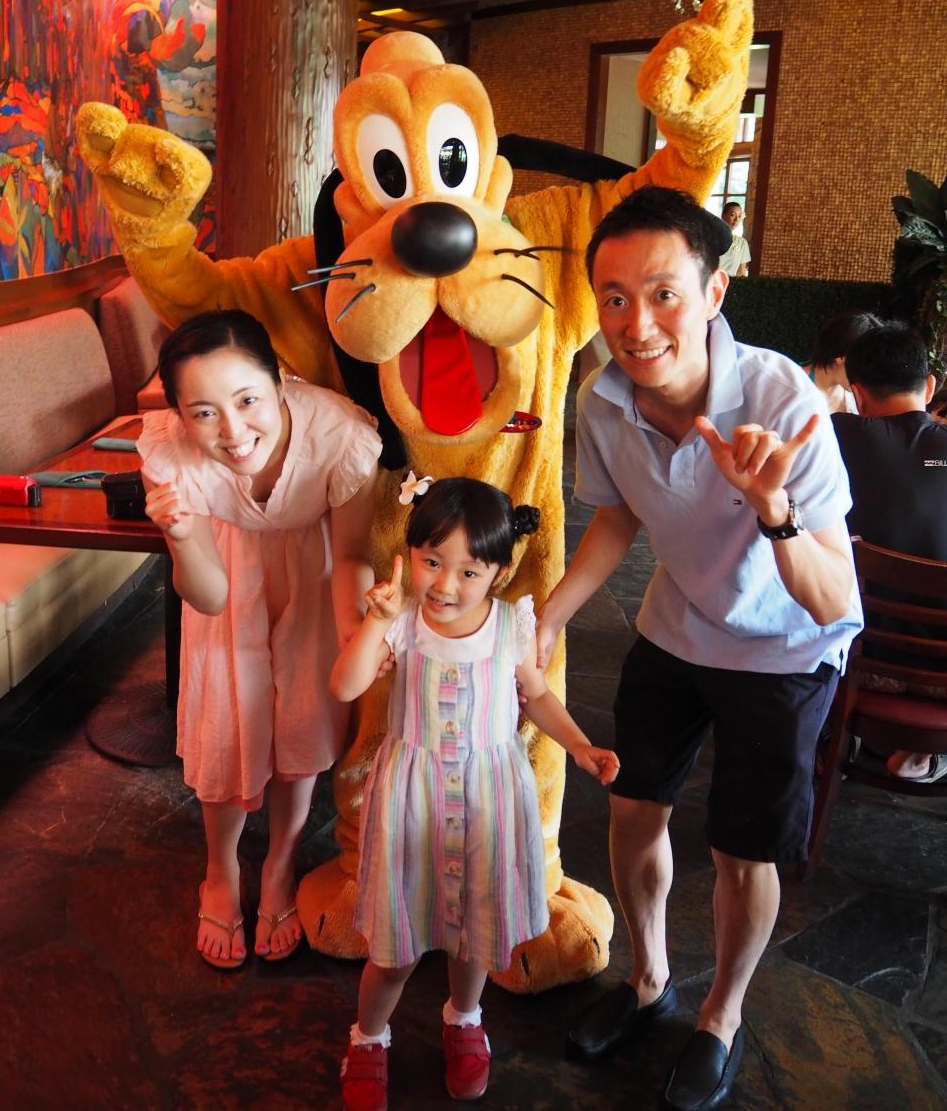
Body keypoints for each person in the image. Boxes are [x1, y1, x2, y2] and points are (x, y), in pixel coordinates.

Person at [537, 186, 862, 1111]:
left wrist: (774, 510)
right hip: (677, 628)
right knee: (632, 807)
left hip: (785, 650)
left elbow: (835, 598)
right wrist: (550, 616)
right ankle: (649, 982)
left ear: (714, 293)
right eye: (614, 298)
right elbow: (616, 517)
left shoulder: (783, 400)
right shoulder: (604, 400)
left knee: (741, 852)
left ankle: (720, 1015)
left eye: (663, 293)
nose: (637, 324)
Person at [331, 476, 619, 1111]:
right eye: (431, 561)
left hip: (489, 801)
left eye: (468, 571)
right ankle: (369, 1036)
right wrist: (375, 622)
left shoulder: (512, 626)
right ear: (409, 553)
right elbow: (345, 685)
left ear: (500, 571)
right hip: (412, 801)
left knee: (474, 934)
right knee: (394, 949)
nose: (444, 584)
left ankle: (464, 1018)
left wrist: (579, 745)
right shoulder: (401, 623)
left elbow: (536, 696)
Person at [139, 309, 381, 969]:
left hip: (315, 576)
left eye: (247, 400)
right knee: (224, 725)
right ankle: (220, 870)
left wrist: (357, 629)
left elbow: (352, 552)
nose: (232, 429)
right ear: (180, 415)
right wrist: (181, 537)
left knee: (303, 721)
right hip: (226, 575)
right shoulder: (169, 456)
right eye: (204, 412)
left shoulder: (340, 435)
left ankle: (279, 865)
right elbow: (209, 595)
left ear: (280, 382)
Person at [833, 321, 947, 783]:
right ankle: (921, 754)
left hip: (855, 664)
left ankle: (833, 733)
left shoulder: (835, 436)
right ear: (930, 386)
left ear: (857, 394)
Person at [804, 309, 885, 415]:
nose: (868, 377)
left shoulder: (857, 396)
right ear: (841, 357)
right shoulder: (795, 387)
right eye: (864, 366)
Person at [717, 200, 750, 278]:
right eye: (733, 215)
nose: (736, 219)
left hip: (732, 283)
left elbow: (741, 273)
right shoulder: (711, 238)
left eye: (739, 216)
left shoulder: (742, 243)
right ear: (723, 216)